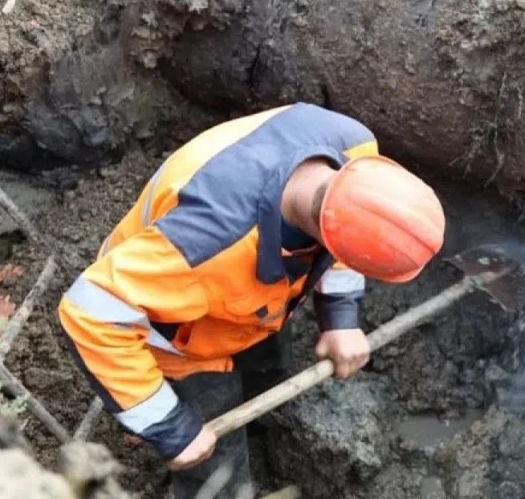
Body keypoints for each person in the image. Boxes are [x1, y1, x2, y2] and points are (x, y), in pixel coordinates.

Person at [57, 103, 445, 497]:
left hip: (255, 301)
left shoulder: (356, 150)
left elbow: (347, 235)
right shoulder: (207, 243)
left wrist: (340, 316)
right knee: (215, 473)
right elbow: (90, 313)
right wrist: (170, 428)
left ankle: (264, 435)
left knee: (270, 375)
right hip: (174, 325)